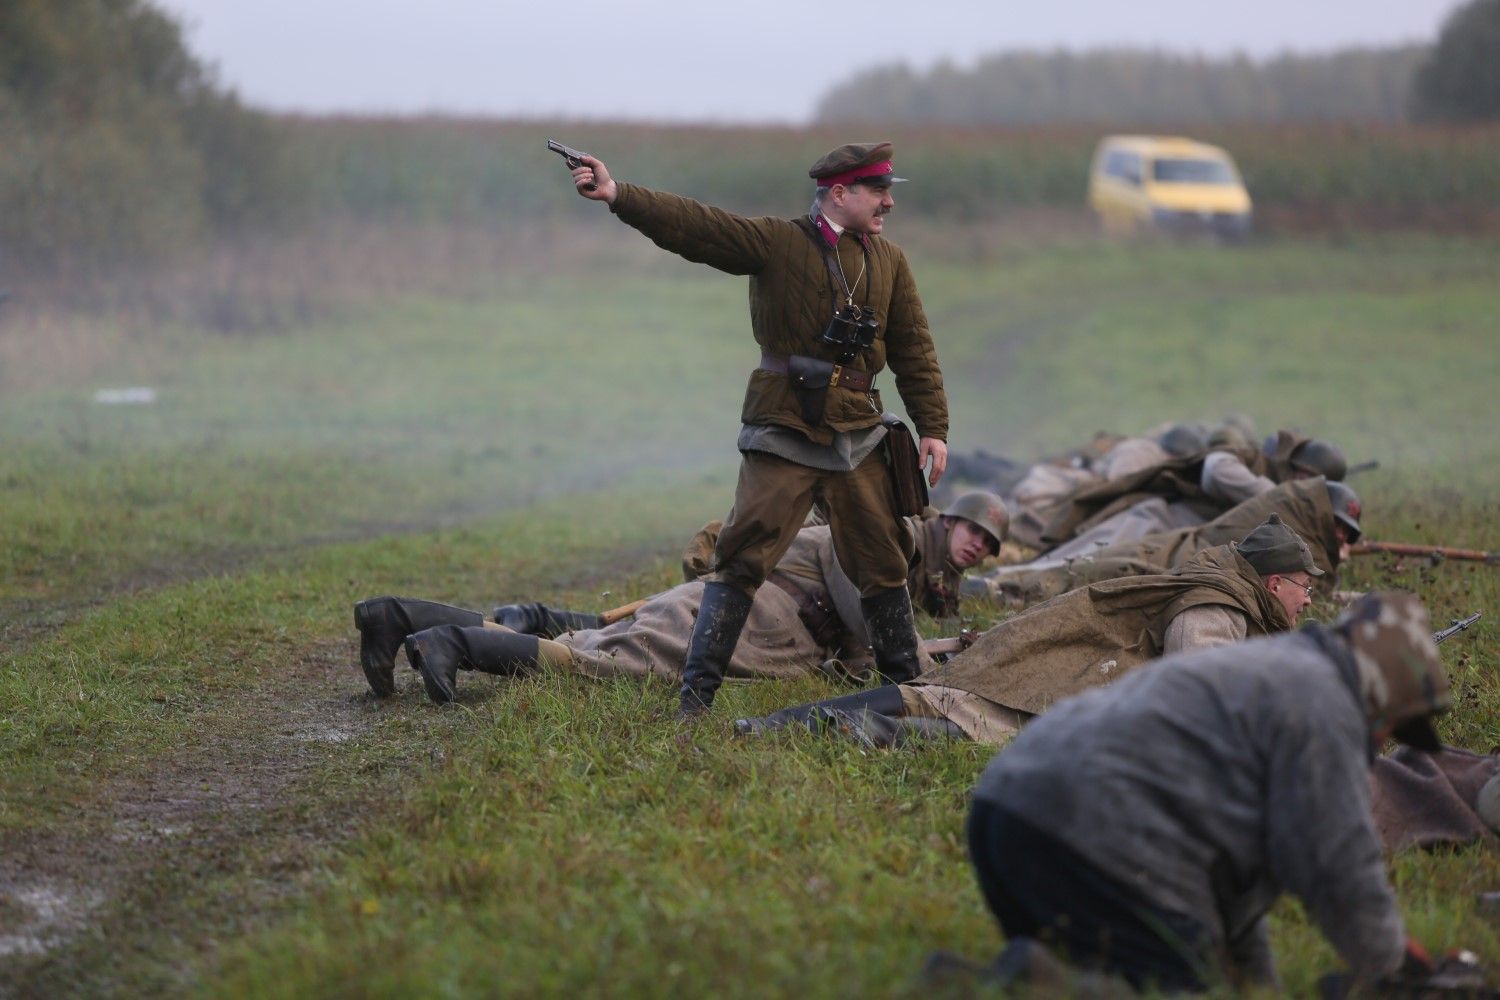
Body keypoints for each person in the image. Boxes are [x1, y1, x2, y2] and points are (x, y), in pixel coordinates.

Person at [564, 141, 949, 717]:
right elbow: (697, 227)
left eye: (889, 191)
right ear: (840, 194)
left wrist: (933, 427)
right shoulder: (779, 241)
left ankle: (907, 695)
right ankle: (695, 699)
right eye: (878, 191)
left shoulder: (888, 260)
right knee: (742, 559)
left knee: (884, 559)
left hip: (859, 434)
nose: (889, 202)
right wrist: (619, 195)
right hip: (785, 428)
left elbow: (914, 348)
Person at [963, 592, 1453, 992]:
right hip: (1090, 831)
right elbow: (1336, 858)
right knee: (1186, 989)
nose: (1384, 742)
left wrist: (1258, 986)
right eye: (1392, 726)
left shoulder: (1273, 667)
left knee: (1141, 963)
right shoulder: (1323, 704)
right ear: (1378, 695)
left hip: (1006, 807)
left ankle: (1012, 977)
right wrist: (1391, 963)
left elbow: (1234, 883)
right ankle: (1039, 983)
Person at [352, 493, 1007, 703]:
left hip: (762, 624)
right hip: (748, 612)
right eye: (974, 529)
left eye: (990, 542)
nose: (979, 544)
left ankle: (400, 618)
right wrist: (891, 656)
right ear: (948, 521)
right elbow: (857, 597)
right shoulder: (889, 531)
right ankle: (451, 643)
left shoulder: (917, 564)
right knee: (602, 661)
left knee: (583, 643)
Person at [734, 512, 1316, 744]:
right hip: (1068, 694)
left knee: (929, 698)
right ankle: (784, 729)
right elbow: (1200, 687)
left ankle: (769, 725)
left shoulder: (1222, 590)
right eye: (1302, 584)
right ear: (1272, 584)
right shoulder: (1216, 609)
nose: (1308, 596)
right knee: (958, 722)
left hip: (1059, 675)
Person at [967, 476, 1361, 607]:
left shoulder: (1298, 507)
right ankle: (995, 586)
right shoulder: (1296, 514)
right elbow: (1312, 583)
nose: (1341, 536)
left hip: (1180, 550)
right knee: (1095, 570)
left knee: (1093, 567)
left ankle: (999, 582)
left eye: (1347, 534)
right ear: (1323, 513)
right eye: (1339, 527)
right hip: (1180, 556)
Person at [1034, 429, 1348, 560]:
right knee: (1069, 563)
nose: (1301, 484)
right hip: (1156, 520)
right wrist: (1282, 498)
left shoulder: (1294, 514)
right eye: (1301, 475)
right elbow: (1216, 468)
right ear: (1292, 466)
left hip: (1180, 547)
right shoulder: (1255, 468)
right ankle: (999, 584)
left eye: (1311, 482)